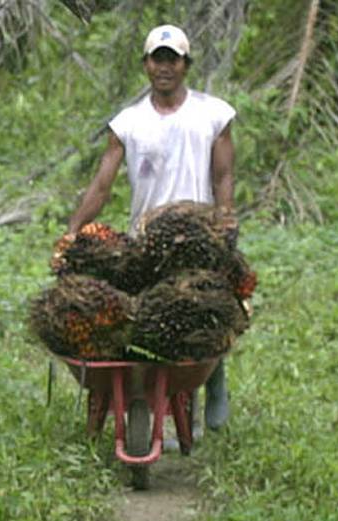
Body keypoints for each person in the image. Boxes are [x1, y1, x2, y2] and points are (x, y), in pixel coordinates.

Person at [63, 22, 237, 430]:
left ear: (185, 65)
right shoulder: (128, 123)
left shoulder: (212, 114)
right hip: (148, 240)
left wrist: (225, 218)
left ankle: (213, 380)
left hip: (199, 235)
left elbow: (223, 176)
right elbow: (103, 182)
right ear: (145, 65)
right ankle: (158, 405)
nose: (164, 68)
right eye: (157, 59)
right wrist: (74, 228)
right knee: (156, 323)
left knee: (204, 312)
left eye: (172, 60)